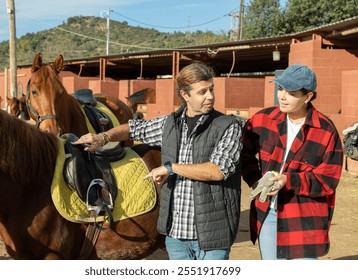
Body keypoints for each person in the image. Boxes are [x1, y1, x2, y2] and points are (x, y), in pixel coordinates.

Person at [74, 62, 243, 260]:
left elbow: (217, 171)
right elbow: (134, 128)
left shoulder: (228, 126)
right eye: (203, 92)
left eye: (211, 89)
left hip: (212, 234)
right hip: (176, 236)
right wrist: (102, 138)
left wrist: (171, 168)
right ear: (185, 95)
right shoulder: (169, 124)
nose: (211, 96)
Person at [241, 64, 343, 260]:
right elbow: (243, 156)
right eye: (280, 89)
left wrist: (288, 181)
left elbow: (328, 180)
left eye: (291, 92)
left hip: (304, 218)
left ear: (308, 96)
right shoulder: (262, 120)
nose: (282, 96)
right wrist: (256, 181)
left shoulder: (325, 130)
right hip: (267, 213)